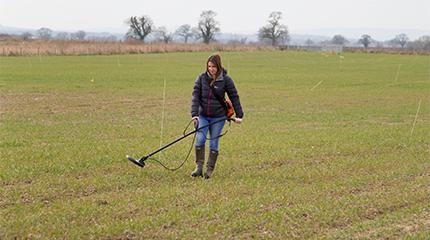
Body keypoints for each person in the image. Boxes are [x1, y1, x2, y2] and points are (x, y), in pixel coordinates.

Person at [190, 54, 244, 178]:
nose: (211, 69)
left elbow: (234, 96)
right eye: (209, 66)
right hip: (203, 116)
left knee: (214, 142)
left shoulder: (226, 80)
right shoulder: (201, 78)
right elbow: (195, 97)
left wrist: (239, 115)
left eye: (213, 66)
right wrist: (195, 114)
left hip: (218, 117)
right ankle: (198, 168)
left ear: (218, 66)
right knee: (200, 139)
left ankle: (209, 170)